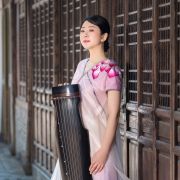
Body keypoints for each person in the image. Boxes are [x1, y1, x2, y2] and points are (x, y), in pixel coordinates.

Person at [51, 15, 129, 180]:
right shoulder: (81, 65)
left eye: (91, 30)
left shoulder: (111, 70)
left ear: (103, 36)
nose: (85, 34)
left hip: (100, 142)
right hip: (78, 140)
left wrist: (103, 152)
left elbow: (113, 114)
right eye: (82, 31)